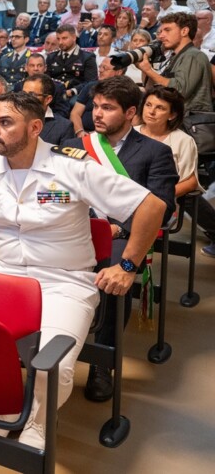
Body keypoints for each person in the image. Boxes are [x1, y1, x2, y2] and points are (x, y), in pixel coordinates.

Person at [0, 91, 167, 448]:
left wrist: (128, 266)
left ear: (35, 127)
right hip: (2, 275)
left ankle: (39, 419)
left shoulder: (71, 167)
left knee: (54, 365)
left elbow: (151, 206)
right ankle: (4, 409)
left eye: (5, 123)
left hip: (64, 281)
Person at [64, 77, 177, 402]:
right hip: (74, 230)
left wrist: (117, 228)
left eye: (107, 108)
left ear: (130, 113)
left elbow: (162, 208)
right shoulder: (78, 147)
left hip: (120, 235)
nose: (97, 114)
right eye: (96, 106)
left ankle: (102, 364)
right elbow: (52, 195)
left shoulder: (156, 152)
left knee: (113, 272)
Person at [135, 86, 215, 258]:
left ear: (172, 115)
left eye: (160, 108)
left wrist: (153, 197)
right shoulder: (129, 134)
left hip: (160, 199)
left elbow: (191, 181)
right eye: (148, 105)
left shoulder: (183, 141)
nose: (151, 112)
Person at [137, 12, 213, 112]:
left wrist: (149, 71)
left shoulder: (193, 55)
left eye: (167, 30)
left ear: (184, 31)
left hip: (190, 121)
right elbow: (157, 90)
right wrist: (145, 69)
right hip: (178, 119)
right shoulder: (177, 56)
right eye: (161, 31)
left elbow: (179, 91)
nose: (161, 36)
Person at [70, 57, 126, 136]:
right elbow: (75, 113)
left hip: (111, 136)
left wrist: (96, 135)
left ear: (118, 72)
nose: (100, 70)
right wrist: (80, 132)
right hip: (83, 134)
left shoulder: (126, 91)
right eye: (100, 67)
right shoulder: (90, 86)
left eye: (104, 68)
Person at [47, 24, 98, 99]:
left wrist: (73, 91)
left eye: (64, 38)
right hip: (54, 93)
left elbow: (91, 82)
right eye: (58, 39)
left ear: (74, 37)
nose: (60, 42)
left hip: (77, 94)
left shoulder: (87, 57)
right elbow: (47, 79)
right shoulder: (51, 57)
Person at [21, 74, 74, 145]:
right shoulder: (13, 119)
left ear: (47, 99)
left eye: (31, 95)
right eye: (23, 94)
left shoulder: (64, 127)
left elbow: (64, 155)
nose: (25, 98)